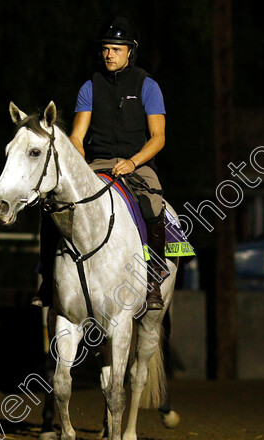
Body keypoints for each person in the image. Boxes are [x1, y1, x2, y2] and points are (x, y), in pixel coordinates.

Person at [34, 17, 169, 310]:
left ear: (130, 52)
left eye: (117, 49)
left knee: (153, 207)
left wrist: (133, 163)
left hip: (138, 163)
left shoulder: (148, 86)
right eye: (106, 49)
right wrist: (78, 162)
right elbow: (78, 137)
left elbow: (158, 138)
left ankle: (154, 280)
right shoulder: (90, 87)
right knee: (52, 207)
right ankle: (47, 278)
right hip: (99, 165)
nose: (109, 54)